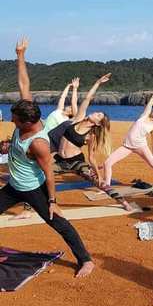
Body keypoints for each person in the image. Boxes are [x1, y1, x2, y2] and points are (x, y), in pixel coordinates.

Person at [0, 37, 93, 277]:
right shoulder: (27, 111)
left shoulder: (39, 143)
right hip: (14, 186)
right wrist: (20, 56)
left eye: (13, 118)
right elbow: (24, 84)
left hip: (34, 189)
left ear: (27, 122)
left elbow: (49, 172)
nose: (10, 120)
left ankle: (85, 260)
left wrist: (53, 201)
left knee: (58, 222)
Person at [52, 73, 134, 211]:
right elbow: (87, 99)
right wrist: (98, 83)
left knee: (100, 184)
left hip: (77, 163)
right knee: (38, 178)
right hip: (60, 162)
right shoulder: (78, 119)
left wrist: (99, 176)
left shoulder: (91, 136)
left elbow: (91, 157)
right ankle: (26, 209)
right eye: (97, 112)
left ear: (98, 123)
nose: (95, 113)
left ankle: (124, 202)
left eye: (98, 115)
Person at [10, 78, 80, 220]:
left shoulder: (69, 121)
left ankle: (42, 205)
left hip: (46, 142)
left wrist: (76, 90)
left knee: (42, 172)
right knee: (33, 173)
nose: (69, 107)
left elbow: (74, 104)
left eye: (71, 108)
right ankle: (27, 209)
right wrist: (69, 86)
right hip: (37, 136)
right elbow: (62, 99)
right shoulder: (59, 112)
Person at [103, 81, 153, 189]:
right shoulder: (144, 115)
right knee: (107, 163)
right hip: (127, 146)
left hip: (141, 146)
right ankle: (107, 187)